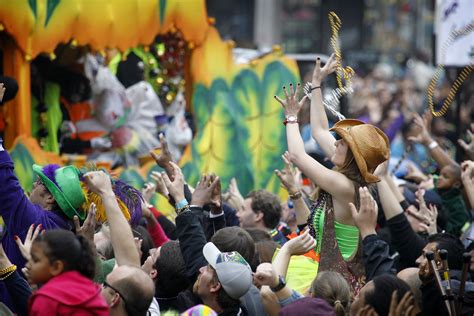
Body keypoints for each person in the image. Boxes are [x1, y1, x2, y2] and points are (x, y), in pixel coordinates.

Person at [274, 53, 390, 292]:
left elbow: (297, 155)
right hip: (328, 277)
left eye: (342, 143)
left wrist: (292, 117)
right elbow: (318, 130)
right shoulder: (350, 172)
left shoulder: (345, 185)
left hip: (338, 286)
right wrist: (318, 83)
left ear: (353, 157)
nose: (335, 143)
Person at [0, 135, 86, 309]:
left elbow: (7, 186)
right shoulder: (62, 233)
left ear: (50, 198)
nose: (33, 183)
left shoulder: (37, 223)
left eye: (39, 182)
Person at [27, 229, 108, 315]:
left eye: (35, 260)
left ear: (56, 267)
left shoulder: (46, 299)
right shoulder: (93, 292)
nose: (28, 264)